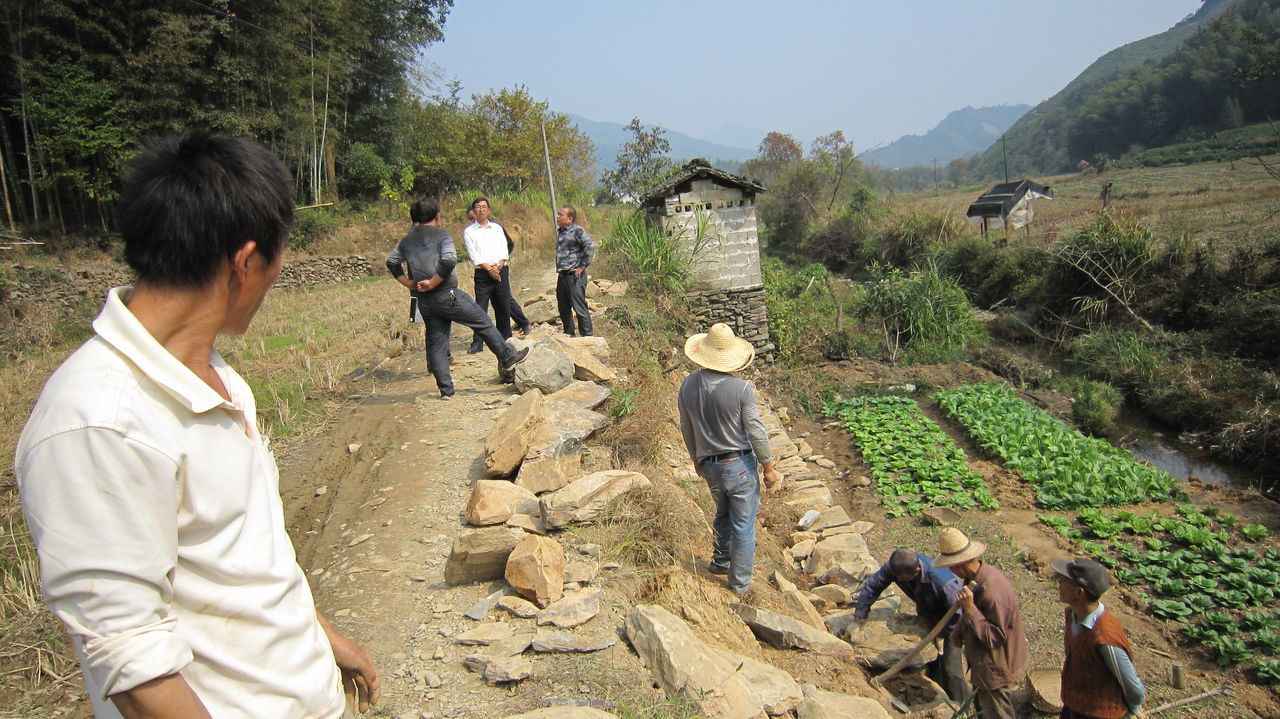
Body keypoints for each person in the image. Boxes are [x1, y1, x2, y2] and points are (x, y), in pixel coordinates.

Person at [15, 130, 379, 718]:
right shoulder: (99, 424)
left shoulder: (216, 377)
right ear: (245, 263)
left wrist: (323, 641)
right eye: (279, 261)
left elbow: (241, 553)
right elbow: (133, 665)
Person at [386, 198, 529, 399]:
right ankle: (507, 357)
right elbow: (449, 260)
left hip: (425, 300)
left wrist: (409, 283)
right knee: (482, 321)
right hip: (447, 294)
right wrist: (434, 282)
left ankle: (446, 390)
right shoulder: (441, 235)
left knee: (436, 341)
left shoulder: (407, 240)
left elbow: (392, 262)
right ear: (437, 216)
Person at [677, 323, 780, 596]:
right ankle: (740, 584)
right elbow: (756, 431)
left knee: (722, 513)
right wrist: (768, 466)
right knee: (743, 525)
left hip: (709, 464)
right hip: (739, 467)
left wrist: (695, 458)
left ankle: (720, 562)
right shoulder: (741, 389)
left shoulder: (688, 384)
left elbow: (686, 428)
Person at [934, 527, 1029, 719]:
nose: (950, 570)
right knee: (982, 710)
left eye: (950, 566)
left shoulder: (992, 591)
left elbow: (995, 637)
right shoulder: (971, 579)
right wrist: (958, 634)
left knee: (997, 713)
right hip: (982, 664)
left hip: (996, 665)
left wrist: (970, 608)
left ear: (958, 565)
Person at [853, 548, 970, 700]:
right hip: (927, 610)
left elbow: (958, 613)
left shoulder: (943, 582)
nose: (902, 582)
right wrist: (858, 616)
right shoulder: (895, 566)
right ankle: (938, 687)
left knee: (951, 669)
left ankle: (960, 706)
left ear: (918, 570)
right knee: (931, 656)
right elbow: (873, 586)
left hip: (953, 621)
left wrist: (946, 634)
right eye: (899, 578)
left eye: (907, 579)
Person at [1053, 557, 1146, 719]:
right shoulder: (1072, 614)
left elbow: (1133, 687)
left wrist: (1134, 709)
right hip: (1074, 706)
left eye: (1065, 580)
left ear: (1079, 592)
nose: (1059, 583)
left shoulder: (1105, 638)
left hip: (1099, 714)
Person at [465, 201, 531, 352]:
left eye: (484, 207)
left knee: (503, 305)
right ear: (474, 211)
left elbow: (504, 248)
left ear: (488, 210)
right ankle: (478, 343)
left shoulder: (497, 228)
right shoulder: (469, 231)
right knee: (480, 308)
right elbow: (473, 254)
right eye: (478, 207)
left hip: (501, 270)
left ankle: (506, 339)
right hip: (483, 273)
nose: (481, 210)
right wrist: (489, 269)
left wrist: (499, 266)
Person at [554, 205, 595, 337]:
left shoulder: (577, 231)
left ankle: (587, 337)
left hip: (574, 276)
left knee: (579, 307)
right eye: (558, 214)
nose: (558, 217)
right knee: (563, 307)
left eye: (561, 214)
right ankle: (569, 333)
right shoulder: (561, 231)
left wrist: (582, 266)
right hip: (563, 275)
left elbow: (590, 246)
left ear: (570, 219)